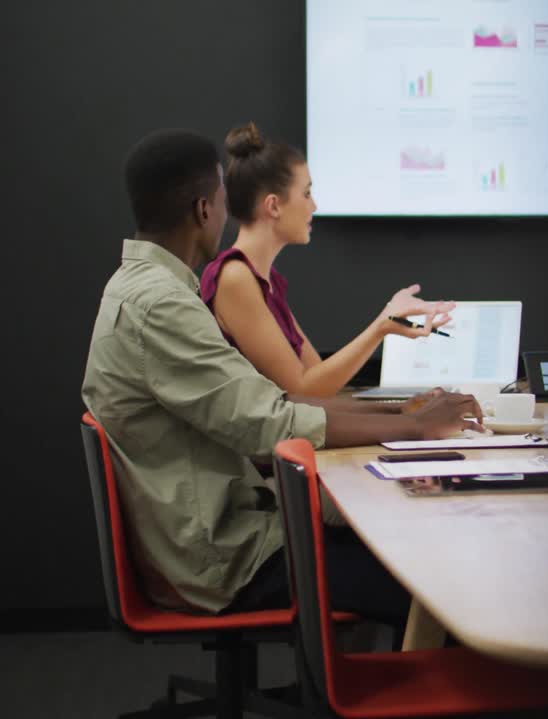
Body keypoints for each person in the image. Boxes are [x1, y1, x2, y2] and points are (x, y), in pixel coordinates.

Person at [82, 128, 481, 642]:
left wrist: (404, 418)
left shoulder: (140, 288)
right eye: (223, 203)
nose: (226, 217)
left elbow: (284, 399)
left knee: (415, 549)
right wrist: (416, 427)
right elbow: (268, 423)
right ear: (205, 210)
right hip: (228, 559)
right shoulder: (162, 304)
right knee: (442, 586)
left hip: (228, 532)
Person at [200, 121, 451, 397]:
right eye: (306, 193)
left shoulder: (263, 280)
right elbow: (303, 390)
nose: (314, 205)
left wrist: (385, 326)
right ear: (273, 206)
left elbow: (320, 382)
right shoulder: (236, 278)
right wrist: (381, 326)